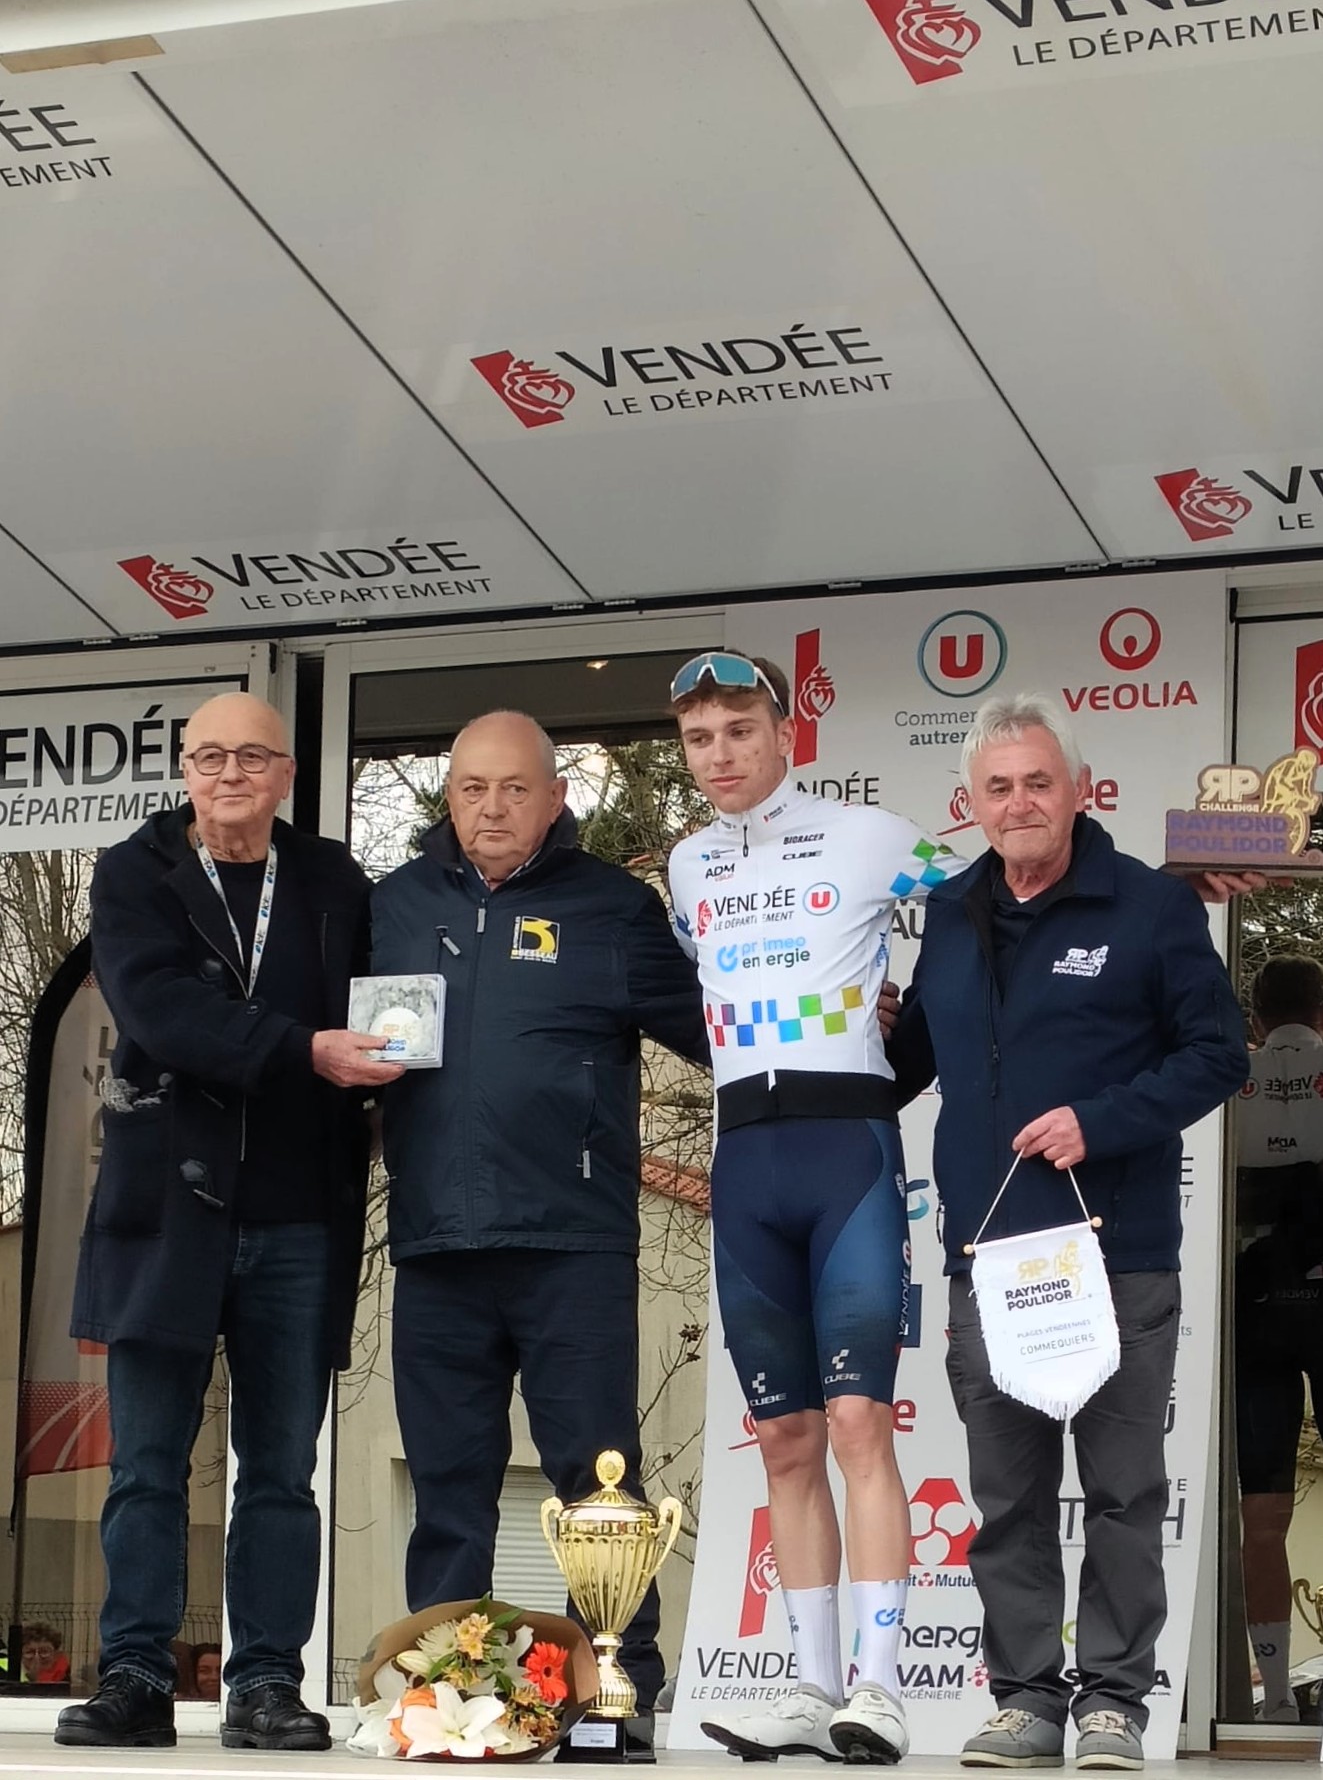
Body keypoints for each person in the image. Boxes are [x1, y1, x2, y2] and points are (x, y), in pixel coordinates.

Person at [888, 692, 1248, 1772]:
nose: (1019, 803)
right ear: (971, 802)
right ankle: (1027, 1701)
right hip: (988, 1260)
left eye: (1038, 781)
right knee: (1007, 1499)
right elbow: (910, 1065)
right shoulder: (950, 912)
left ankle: (1114, 1705)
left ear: (1079, 789)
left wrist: (1102, 1120)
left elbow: (1217, 1053)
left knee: (1126, 1492)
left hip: (1114, 1253)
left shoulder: (1150, 906)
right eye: (998, 787)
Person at [56, 692, 403, 1754]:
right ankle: (134, 1678)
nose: (229, 776)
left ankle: (264, 1683)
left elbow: (388, 1010)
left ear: (287, 773)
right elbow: (158, 1012)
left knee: (282, 1472)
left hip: (299, 1215)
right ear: (184, 768)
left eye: (252, 757)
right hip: (166, 1212)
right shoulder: (134, 873)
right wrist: (304, 1050)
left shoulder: (335, 880)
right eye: (209, 757)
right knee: (145, 1465)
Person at [371, 710, 709, 1738]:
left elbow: (716, 1027)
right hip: (437, 1243)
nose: (492, 808)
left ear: (557, 797)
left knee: (596, 1477)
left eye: (515, 788)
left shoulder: (612, 907)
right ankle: (448, 1695)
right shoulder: (394, 905)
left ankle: (615, 1691)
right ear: (449, 797)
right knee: (448, 1488)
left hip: (573, 1242)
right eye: (472, 788)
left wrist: (834, 1013)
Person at [666, 651, 965, 1764]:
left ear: (784, 734)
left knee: (856, 1424)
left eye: (739, 730)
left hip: (847, 1149)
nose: (720, 755)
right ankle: (809, 1683)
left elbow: (986, 907)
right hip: (746, 1156)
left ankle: (879, 1690)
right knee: (784, 1439)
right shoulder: (687, 865)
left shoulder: (870, 836)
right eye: (699, 739)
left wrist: (910, 1038)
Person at [1234, 956, 1323, 1723]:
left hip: (1256, 1306)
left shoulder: (1231, 1076)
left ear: (1256, 1018)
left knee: (1261, 1516)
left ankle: (1275, 1699)